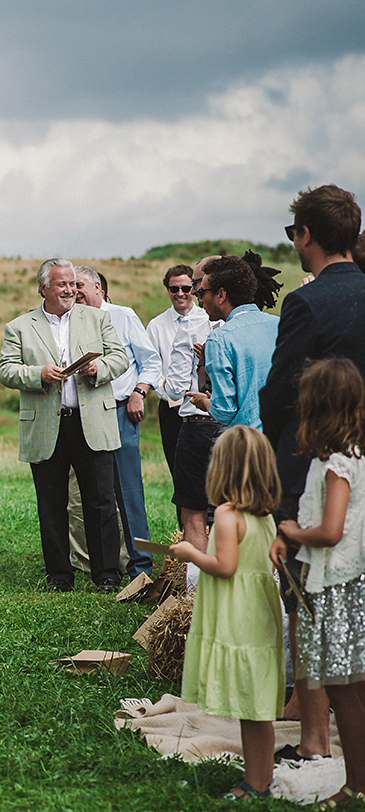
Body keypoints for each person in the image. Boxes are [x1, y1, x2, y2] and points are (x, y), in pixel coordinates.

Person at [260, 185, 364, 762]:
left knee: (305, 598)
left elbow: (280, 394)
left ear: (307, 235)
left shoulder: (306, 303)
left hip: (309, 465)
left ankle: (314, 735)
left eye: (293, 233)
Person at [0, 258, 128, 593]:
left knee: (100, 501)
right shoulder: (20, 326)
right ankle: (59, 574)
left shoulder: (98, 319)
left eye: (72, 284)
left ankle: (107, 574)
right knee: (52, 502)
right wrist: (37, 374)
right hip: (46, 426)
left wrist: (97, 369)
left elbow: (120, 358)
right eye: (62, 284)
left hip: (92, 423)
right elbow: (6, 370)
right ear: (44, 288)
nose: (70, 290)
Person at [270, 359, 365, 806]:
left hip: (337, 583)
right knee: (350, 682)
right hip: (345, 577)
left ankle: (355, 784)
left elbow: (330, 531)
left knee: (343, 685)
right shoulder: (353, 454)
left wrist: (291, 531)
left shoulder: (338, 464)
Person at [171, 425, 283, 801]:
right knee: (260, 707)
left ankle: (255, 785)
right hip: (260, 611)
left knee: (251, 710)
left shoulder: (227, 514)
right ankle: (261, 778)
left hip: (239, 615)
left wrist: (191, 553)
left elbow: (225, 566)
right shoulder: (265, 515)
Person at [73, 266, 159, 577]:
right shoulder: (73, 321)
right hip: (85, 415)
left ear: (98, 286)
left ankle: (141, 565)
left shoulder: (123, 316)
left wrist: (139, 392)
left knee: (129, 492)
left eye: (79, 285)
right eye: (70, 285)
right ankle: (104, 565)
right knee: (96, 494)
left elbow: (151, 361)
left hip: (122, 411)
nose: (75, 291)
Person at [161, 256, 221, 555]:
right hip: (240, 430)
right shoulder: (259, 324)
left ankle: (196, 595)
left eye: (196, 287)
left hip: (198, 426)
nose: (192, 294)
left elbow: (174, 388)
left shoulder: (191, 325)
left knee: (194, 513)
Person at [184, 255, 278, 430]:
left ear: (220, 295)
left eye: (201, 292)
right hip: (281, 440)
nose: (199, 299)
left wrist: (204, 402)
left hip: (247, 443)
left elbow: (224, 411)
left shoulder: (219, 339)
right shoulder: (279, 324)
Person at [146, 265, 205, 483]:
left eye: (185, 288)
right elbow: (150, 366)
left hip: (203, 408)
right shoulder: (156, 325)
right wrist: (167, 392)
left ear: (194, 289)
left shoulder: (208, 318)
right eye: (174, 289)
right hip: (172, 407)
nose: (180, 294)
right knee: (178, 472)